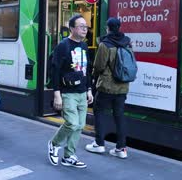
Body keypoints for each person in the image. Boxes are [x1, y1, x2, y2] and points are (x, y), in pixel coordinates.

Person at [47, 14, 93, 169]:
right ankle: (54, 144)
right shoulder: (63, 46)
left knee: (80, 125)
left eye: (86, 26)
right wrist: (57, 94)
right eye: (81, 26)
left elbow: (87, 70)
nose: (85, 29)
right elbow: (55, 71)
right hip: (67, 92)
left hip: (82, 92)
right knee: (72, 123)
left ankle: (69, 156)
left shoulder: (85, 46)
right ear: (72, 28)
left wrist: (89, 89)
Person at [85, 17, 131, 159]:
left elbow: (99, 66)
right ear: (119, 27)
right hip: (123, 86)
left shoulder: (105, 44)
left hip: (106, 86)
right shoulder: (127, 42)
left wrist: (93, 79)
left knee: (99, 111)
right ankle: (121, 149)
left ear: (108, 28)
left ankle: (99, 144)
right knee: (119, 115)